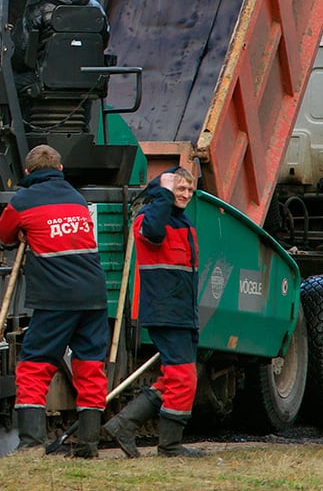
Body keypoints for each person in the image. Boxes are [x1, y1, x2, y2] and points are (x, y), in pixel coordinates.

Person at [0, 144, 108, 458]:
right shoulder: (76, 198)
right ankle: (88, 445)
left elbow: (3, 233)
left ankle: (31, 443)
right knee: (89, 365)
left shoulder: (24, 200)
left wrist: (23, 234)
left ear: (28, 173)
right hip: (94, 294)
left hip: (57, 297)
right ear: (59, 170)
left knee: (34, 364)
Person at [102, 167, 203, 458]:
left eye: (189, 190)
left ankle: (123, 424)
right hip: (166, 311)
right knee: (184, 378)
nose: (185, 195)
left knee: (174, 376)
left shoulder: (182, 222)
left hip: (182, 312)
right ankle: (170, 446)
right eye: (179, 189)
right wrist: (162, 192)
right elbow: (154, 234)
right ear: (164, 190)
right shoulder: (149, 218)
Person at [10, 0, 110, 93]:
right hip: (88, 79)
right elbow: (104, 40)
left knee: (4, 84)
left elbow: (21, 50)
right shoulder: (95, 6)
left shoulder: (37, 9)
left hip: (46, 79)